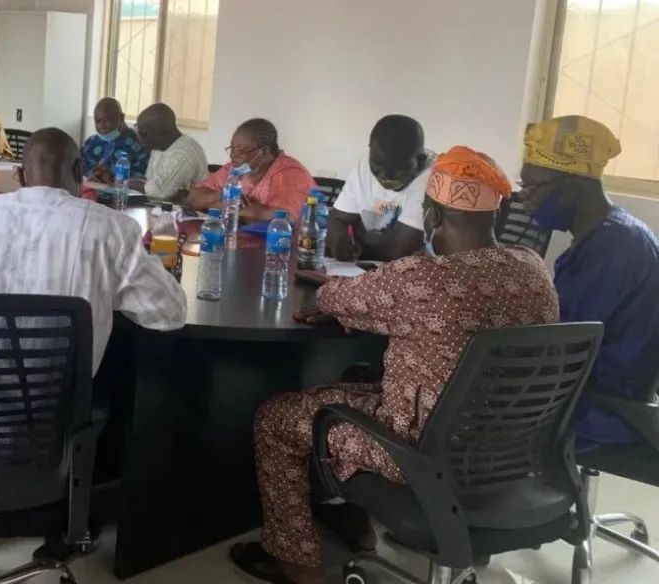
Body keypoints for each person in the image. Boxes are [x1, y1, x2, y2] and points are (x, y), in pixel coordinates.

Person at [231, 146, 559, 584]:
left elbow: (333, 297)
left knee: (277, 418)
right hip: (510, 446)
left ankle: (295, 562)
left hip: (418, 452)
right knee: (357, 377)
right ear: (495, 216)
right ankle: (355, 522)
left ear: (431, 216)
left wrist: (342, 303)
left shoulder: (425, 278)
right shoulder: (534, 270)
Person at [0, 127, 187, 374]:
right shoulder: (113, 230)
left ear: (21, 175)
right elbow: (169, 314)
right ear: (79, 170)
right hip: (52, 406)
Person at [518, 115, 659, 451]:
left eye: (532, 188)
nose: (523, 199)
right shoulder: (610, 235)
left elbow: (559, 344)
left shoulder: (615, 249)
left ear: (574, 188)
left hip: (601, 410)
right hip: (592, 393)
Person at [327, 115, 434, 261]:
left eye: (397, 171)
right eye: (377, 168)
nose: (385, 178)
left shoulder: (433, 176)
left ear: (420, 160)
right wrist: (338, 239)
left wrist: (360, 244)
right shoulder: (364, 167)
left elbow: (398, 249)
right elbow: (337, 218)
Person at [188, 118, 317, 221]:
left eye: (241, 151)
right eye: (232, 149)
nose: (233, 155)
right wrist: (221, 197)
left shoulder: (290, 173)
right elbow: (192, 198)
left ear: (265, 151)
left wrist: (220, 205)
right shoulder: (236, 168)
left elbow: (280, 218)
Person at [132, 103, 208, 203]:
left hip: (187, 210)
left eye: (143, 134)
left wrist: (127, 183)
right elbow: (149, 181)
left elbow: (159, 192)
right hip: (159, 207)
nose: (139, 138)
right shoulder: (159, 146)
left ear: (159, 134)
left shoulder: (183, 153)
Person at [81, 97, 149, 182]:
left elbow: (143, 172)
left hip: (120, 189)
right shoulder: (91, 142)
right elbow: (79, 166)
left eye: (107, 120)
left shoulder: (137, 143)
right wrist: (93, 174)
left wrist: (113, 175)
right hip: (89, 188)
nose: (102, 125)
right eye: (98, 121)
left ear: (121, 118)